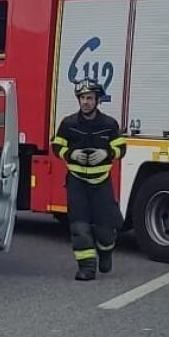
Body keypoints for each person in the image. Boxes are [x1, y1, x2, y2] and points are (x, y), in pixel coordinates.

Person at [52, 79, 127, 280]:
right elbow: (57, 145)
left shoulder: (109, 124)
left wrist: (107, 153)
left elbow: (122, 148)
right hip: (77, 181)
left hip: (101, 182)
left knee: (105, 230)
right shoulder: (69, 124)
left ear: (97, 100)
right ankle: (86, 267)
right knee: (79, 227)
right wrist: (71, 155)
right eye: (83, 98)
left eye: (90, 98)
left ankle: (106, 251)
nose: (86, 102)